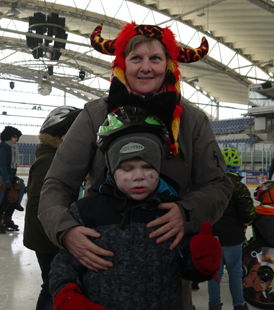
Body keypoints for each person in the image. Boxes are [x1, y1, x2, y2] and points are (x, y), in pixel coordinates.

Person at [38, 21, 233, 309]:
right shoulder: (94, 115)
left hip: (166, 268)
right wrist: (66, 230)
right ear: (121, 63)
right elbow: (57, 185)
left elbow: (218, 185)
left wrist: (187, 211)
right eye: (136, 58)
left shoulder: (192, 121)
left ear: (168, 64)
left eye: (155, 58)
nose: (146, 67)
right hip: (101, 268)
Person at [49, 109, 222, 310]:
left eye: (148, 167)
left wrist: (202, 262)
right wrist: (68, 297)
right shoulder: (87, 212)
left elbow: (185, 269)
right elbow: (64, 265)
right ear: (112, 171)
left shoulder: (171, 212)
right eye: (127, 169)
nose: (138, 176)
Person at [23, 106, 82, 310]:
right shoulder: (50, 160)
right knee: (51, 287)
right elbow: (38, 203)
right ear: (62, 134)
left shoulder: (61, 158)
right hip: (49, 238)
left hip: (53, 234)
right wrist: (54, 237)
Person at [207, 147, 255, 310]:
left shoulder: (211, 184)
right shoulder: (240, 188)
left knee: (215, 274)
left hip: (213, 237)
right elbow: (248, 214)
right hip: (233, 238)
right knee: (235, 273)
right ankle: (239, 305)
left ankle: (214, 305)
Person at [0, 126, 25, 234]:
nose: (17, 139)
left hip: (11, 176)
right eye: (15, 137)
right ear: (9, 136)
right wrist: (6, 180)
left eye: (17, 137)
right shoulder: (4, 147)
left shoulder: (13, 148)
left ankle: (8, 215)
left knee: (15, 195)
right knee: (3, 196)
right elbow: (2, 165)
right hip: (4, 176)